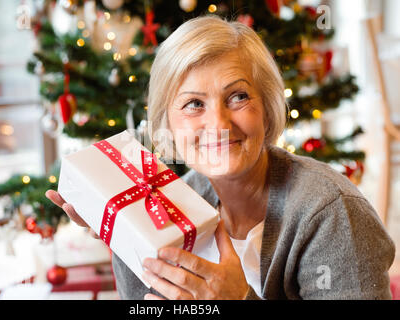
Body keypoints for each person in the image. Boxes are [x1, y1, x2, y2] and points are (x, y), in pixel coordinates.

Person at [46, 15, 395, 300]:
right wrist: (124, 232)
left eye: (238, 96)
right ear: (167, 123)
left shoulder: (331, 212)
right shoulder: (179, 201)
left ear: (267, 109)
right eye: (194, 103)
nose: (218, 124)